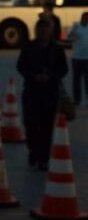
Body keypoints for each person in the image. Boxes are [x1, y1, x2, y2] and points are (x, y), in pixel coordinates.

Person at [18, 18, 69, 170]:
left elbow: (64, 69)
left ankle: (44, 158)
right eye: (40, 30)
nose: (43, 33)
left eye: (46, 30)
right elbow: (20, 66)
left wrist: (51, 76)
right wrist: (33, 76)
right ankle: (33, 151)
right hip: (31, 92)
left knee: (47, 127)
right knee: (31, 124)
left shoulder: (57, 48)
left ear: (51, 31)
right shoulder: (28, 46)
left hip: (50, 93)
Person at [70, 12, 88, 106]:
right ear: (81, 18)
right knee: (76, 80)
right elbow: (70, 37)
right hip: (76, 58)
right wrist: (73, 30)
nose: (86, 20)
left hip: (87, 58)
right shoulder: (76, 26)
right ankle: (77, 100)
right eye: (85, 18)